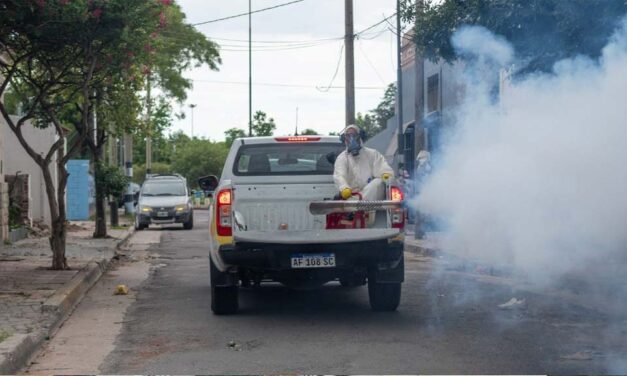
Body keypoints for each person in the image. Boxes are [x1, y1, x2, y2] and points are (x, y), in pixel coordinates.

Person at [333, 124, 394, 201]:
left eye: (354, 135)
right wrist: (344, 188)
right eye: (348, 136)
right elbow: (339, 176)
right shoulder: (342, 158)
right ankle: (357, 202)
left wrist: (385, 173)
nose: (351, 139)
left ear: (360, 136)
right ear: (344, 139)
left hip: (372, 200)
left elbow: (382, 167)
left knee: (378, 182)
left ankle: (361, 202)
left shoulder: (372, 154)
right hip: (350, 198)